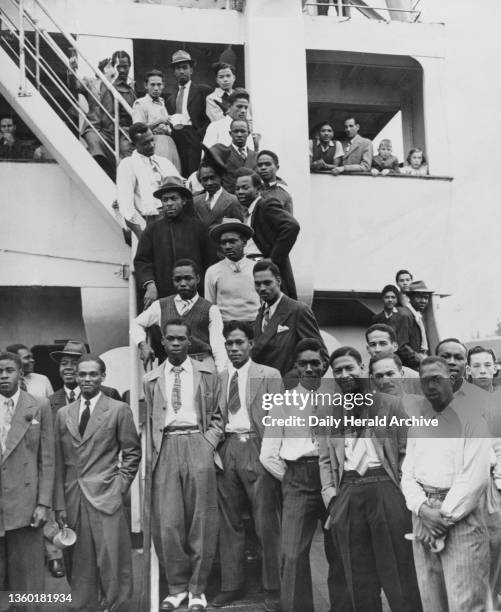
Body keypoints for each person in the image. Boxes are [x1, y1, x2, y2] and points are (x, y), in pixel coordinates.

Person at [320, 346, 422, 612]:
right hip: (349, 492)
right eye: (338, 370)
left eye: (349, 368)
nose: (344, 374)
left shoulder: (389, 404)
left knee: (399, 573)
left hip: (385, 488)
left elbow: (406, 453)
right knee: (359, 578)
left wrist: (404, 495)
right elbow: (325, 458)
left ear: (362, 369)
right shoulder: (331, 411)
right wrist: (331, 496)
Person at [143, 318, 224, 612]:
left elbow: (218, 415)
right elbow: (150, 420)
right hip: (165, 447)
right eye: (170, 339)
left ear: (190, 342)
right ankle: (176, 588)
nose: (176, 343)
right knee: (168, 522)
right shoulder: (151, 378)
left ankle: (197, 590)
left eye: (181, 338)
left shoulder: (207, 373)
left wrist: (207, 443)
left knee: (201, 521)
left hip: (197, 443)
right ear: (162, 342)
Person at [401, 356, 492, 611]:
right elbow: (408, 473)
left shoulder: (473, 420)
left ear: (451, 380)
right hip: (423, 515)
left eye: (436, 379)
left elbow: (474, 479)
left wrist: (442, 518)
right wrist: (422, 509)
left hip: (458, 518)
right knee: (432, 601)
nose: (430, 386)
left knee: (466, 603)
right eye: (424, 381)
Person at [54, 355, 141, 612]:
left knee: (111, 555)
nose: (87, 379)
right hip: (73, 495)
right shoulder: (63, 414)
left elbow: (132, 453)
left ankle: (115, 604)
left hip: (106, 493)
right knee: (78, 557)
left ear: (103, 376)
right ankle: (83, 603)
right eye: (82, 374)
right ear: (76, 377)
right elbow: (58, 461)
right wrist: (59, 503)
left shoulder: (118, 409)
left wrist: (120, 487)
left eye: (93, 374)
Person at [260, 339, 340, 612]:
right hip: (297, 476)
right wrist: (292, 478)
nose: (309, 368)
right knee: (292, 554)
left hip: (334, 478)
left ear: (324, 364)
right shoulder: (282, 402)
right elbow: (267, 454)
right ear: (295, 366)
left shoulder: (337, 401)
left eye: (315, 363)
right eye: (303, 363)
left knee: (339, 551)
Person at [212, 321, 282, 610]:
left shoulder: (269, 374)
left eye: (240, 342)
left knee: (266, 520)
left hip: (258, 445)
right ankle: (231, 585)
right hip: (227, 447)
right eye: (229, 343)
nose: (234, 348)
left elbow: (279, 416)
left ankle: (273, 586)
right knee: (228, 522)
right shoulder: (219, 376)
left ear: (251, 344)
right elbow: (215, 415)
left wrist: (272, 453)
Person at [0, 351, 54, 606]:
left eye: (8, 370)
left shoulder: (39, 406)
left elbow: (47, 459)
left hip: (26, 503)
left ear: (20, 373)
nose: (3, 376)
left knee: (28, 579)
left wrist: (43, 503)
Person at [130, 259, 227, 372]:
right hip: (171, 364)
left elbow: (218, 345)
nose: (183, 283)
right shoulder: (161, 305)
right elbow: (136, 323)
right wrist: (142, 345)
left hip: (201, 363)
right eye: (178, 279)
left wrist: (221, 374)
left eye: (188, 278)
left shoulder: (211, 309)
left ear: (197, 279)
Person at [134, 177, 211, 305]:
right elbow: (142, 261)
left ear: (184, 200)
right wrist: (150, 285)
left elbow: (210, 262)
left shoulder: (199, 228)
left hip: (195, 296)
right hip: (164, 296)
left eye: (174, 198)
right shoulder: (152, 230)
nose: (169, 203)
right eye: (165, 200)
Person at [251, 260, 326, 377]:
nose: (262, 288)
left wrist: (291, 381)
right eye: (257, 284)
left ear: (278, 281)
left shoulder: (298, 310)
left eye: (267, 283)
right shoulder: (260, 313)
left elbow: (322, 357)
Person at [235, 169, 299, 298]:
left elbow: (291, 226)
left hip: (265, 270)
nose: (240, 192)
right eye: (237, 188)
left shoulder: (266, 204)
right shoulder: (248, 212)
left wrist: (273, 259)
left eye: (245, 188)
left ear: (258, 189)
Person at [116, 123, 182, 238]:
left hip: (173, 219)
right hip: (148, 222)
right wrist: (142, 236)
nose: (151, 145)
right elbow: (126, 207)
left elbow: (180, 187)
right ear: (134, 144)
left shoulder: (164, 162)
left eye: (152, 140)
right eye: (145, 143)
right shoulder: (128, 165)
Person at [166, 50, 211, 177]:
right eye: (178, 68)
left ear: (191, 70)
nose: (181, 71)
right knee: (179, 171)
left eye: (185, 67)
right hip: (176, 137)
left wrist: (199, 135)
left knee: (195, 173)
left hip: (194, 136)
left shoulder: (203, 91)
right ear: (174, 72)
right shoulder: (171, 97)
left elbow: (210, 117)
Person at [205, 219, 260, 323]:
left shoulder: (256, 269)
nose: (228, 246)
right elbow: (210, 307)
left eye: (232, 241)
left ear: (244, 242)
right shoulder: (213, 271)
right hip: (225, 328)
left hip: (254, 326)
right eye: (223, 243)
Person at [49, 340, 121, 416]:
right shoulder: (51, 401)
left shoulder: (109, 394)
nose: (68, 367)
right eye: (64, 363)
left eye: (74, 363)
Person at [193, 161, 243, 263]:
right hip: (200, 257)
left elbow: (239, 232)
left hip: (223, 257)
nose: (209, 183)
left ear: (220, 177)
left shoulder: (233, 201)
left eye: (213, 177)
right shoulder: (195, 202)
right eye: (205, 179)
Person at [132, 69, 181, 170]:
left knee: (173, 174)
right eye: (152, 85)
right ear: (146, 85)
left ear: (163, 85)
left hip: (170, 142)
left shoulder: (162, 102)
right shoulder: (140, 103)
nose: (156, 88)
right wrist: (159, 121)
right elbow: (137, 129)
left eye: (159, 85)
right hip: (154, 142)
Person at [365, 324, 421, 393]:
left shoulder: (415, 378)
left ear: (395, 346)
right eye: (373, 345)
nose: (377, 349)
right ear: (368, 349)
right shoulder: (361, 381)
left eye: (383, 343)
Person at [101, 50, 136, 160]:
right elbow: (108, 118)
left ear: (130, 66)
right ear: (113, 67)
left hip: (133, 132)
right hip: (121, 134)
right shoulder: (110, 87)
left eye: (125, 66)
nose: (122, 70)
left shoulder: (131, 87)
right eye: (118, 67)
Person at [207, 119, 258, 193]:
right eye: (236, 131)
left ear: (248, 133)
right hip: (230, 199)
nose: (239, 135)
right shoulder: (222, 154)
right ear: (230, 133)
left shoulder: (255, 156)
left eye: (243, 131)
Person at [399, 280, 433, 370]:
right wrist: (421, 360)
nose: (423, 301)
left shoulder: (416, 315)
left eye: (426, 298)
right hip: (410, 366)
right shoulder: (405, 315)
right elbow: (401, 346)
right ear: (410, 297)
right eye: (419, 297)